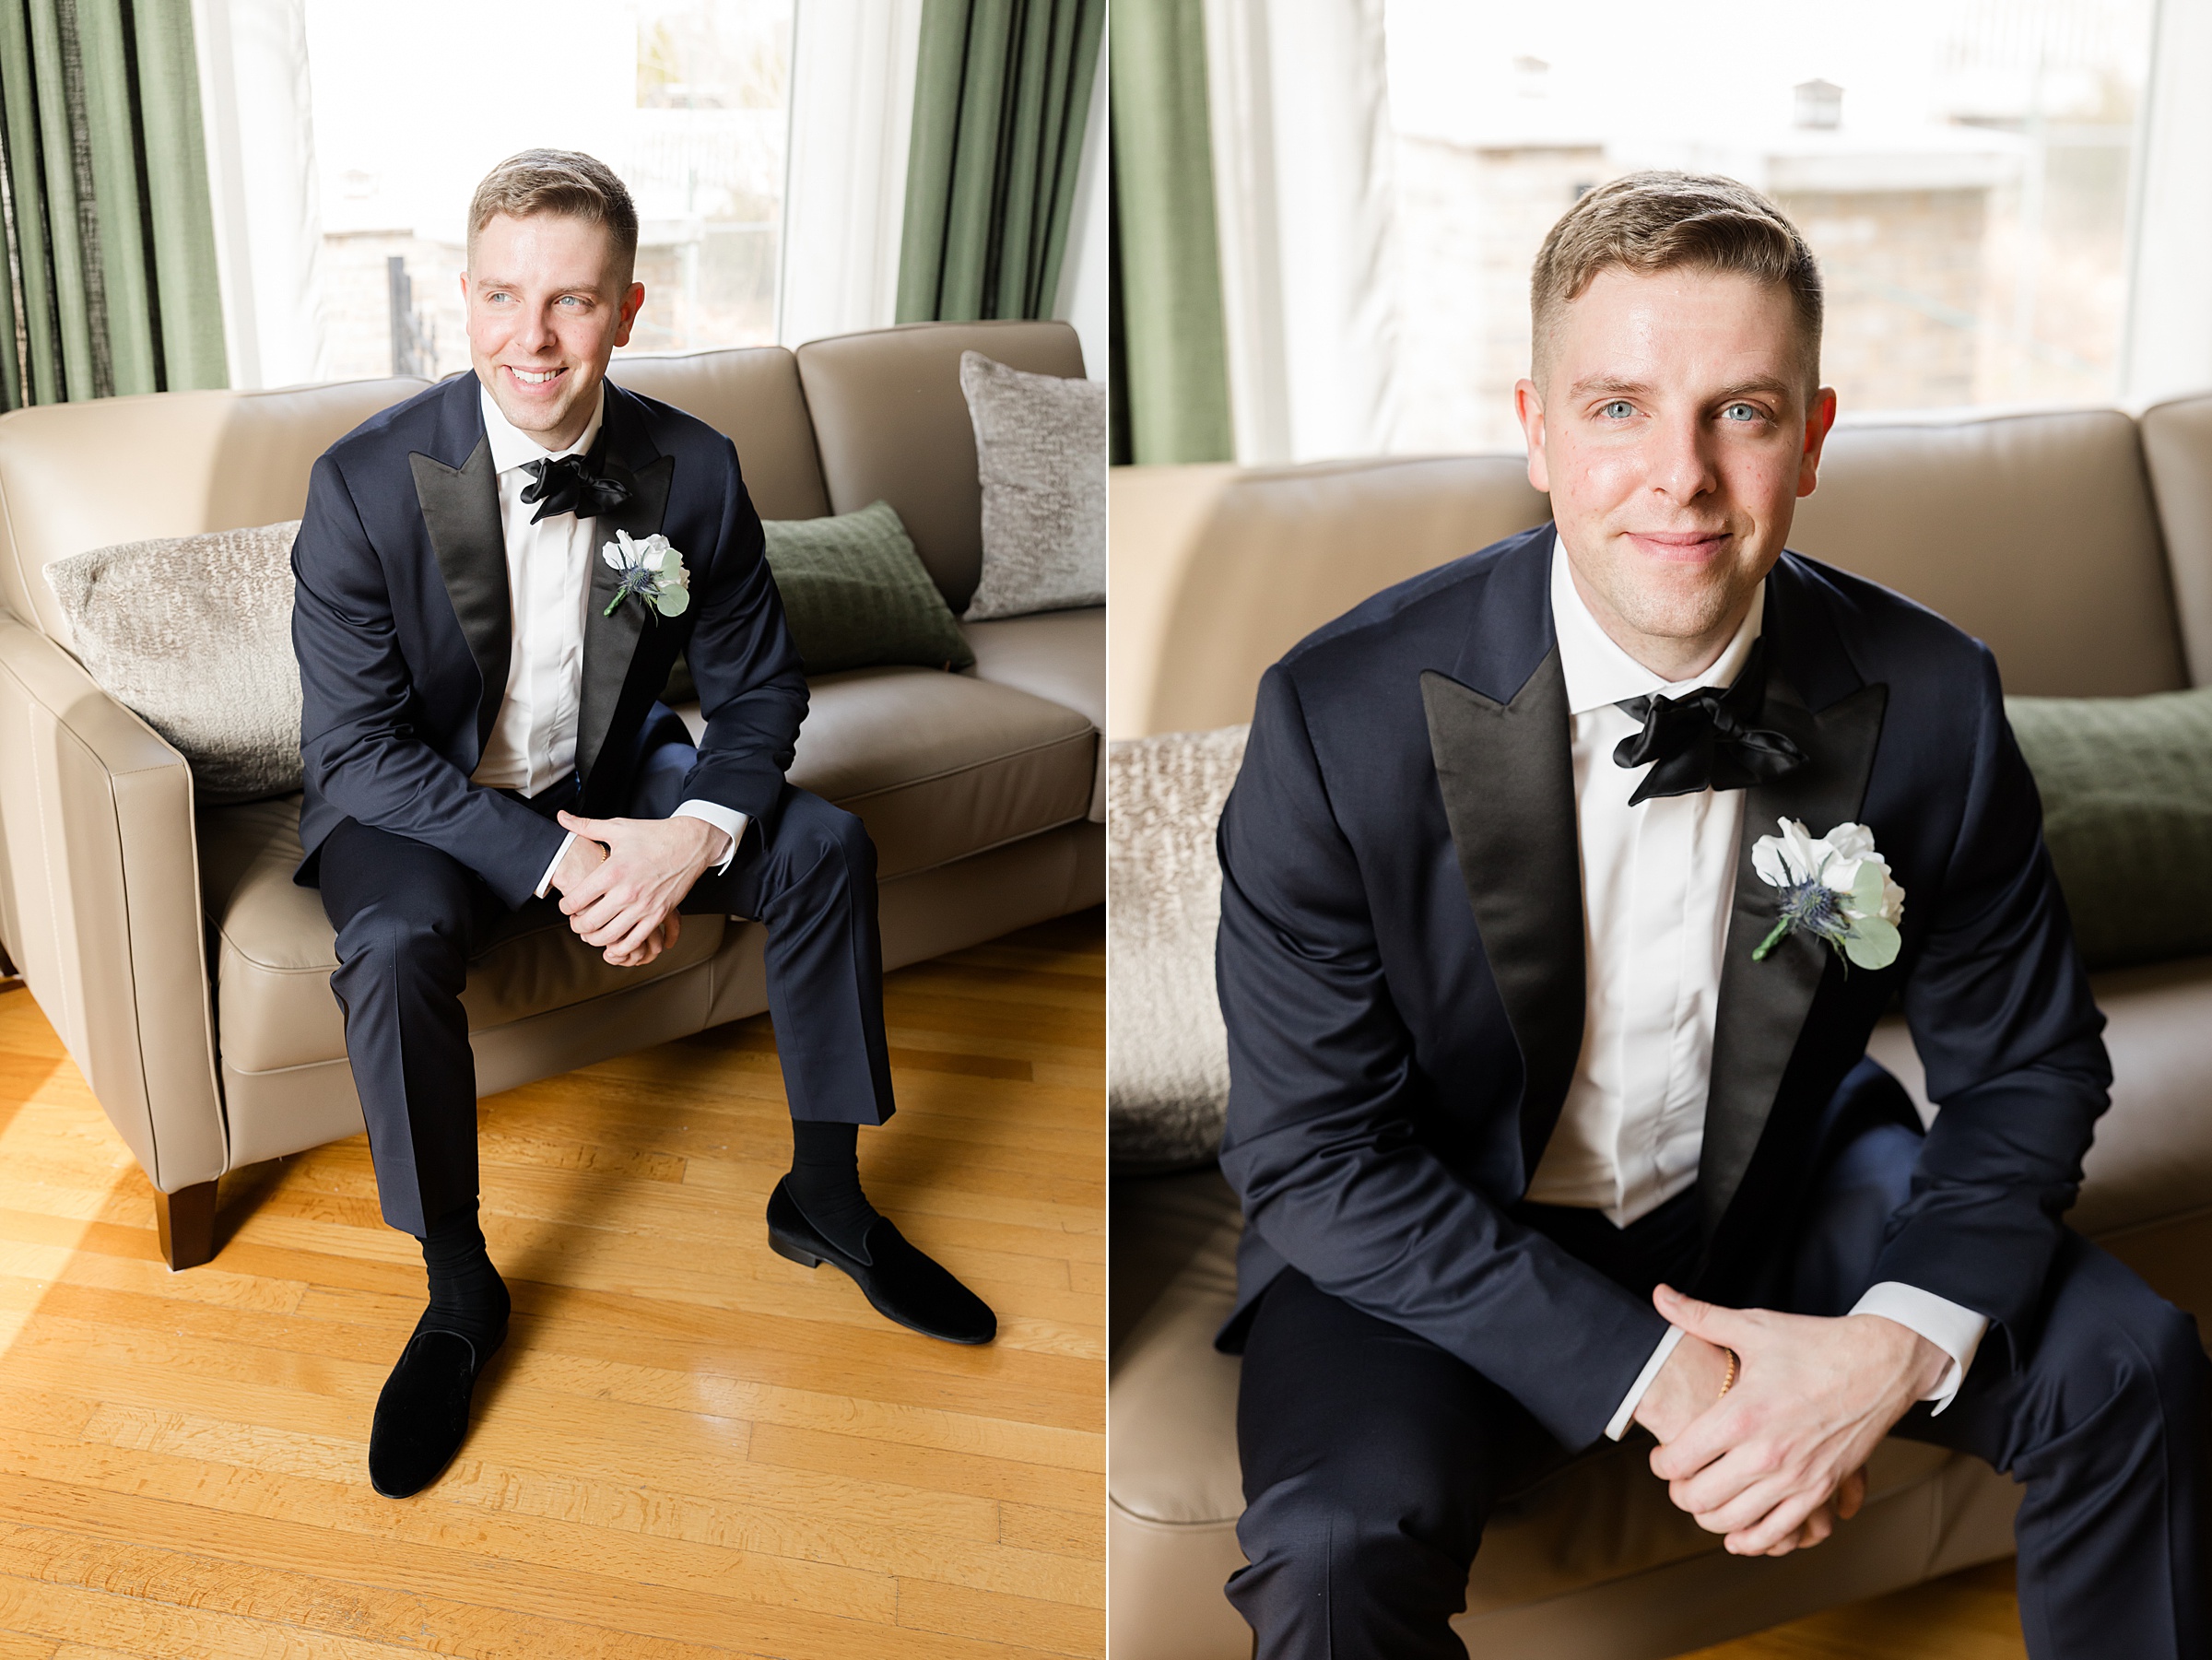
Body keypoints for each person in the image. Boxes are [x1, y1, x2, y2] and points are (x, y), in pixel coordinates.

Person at [1213, 171, 2209, 1658]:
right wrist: (1673, 1377)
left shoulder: (1932, 692)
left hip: (1785, 1182)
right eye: (1618, 407)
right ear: (1536, 429)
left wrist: (1890, 1345)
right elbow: (1312, 1154)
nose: (1678, 474)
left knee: (2132, 1367)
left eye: (1740, 410)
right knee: (1333, 1542)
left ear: (1810, 438)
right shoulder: (1335, 716)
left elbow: (2028, 1066)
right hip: (1436, 1228)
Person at [291, 149, 995, 1502]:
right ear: (464, 298)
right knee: (385, 945)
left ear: (631, 308)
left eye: (571, 301)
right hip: (422, 800)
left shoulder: (695, 467)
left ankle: (826, 1199)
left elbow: (759, 690)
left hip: (617, 773)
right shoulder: (363, 485)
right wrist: (568, 859)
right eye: (503, 297)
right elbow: (357, 751)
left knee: (824, 847)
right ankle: (454, 1285)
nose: (531, 338)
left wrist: (692, 834)